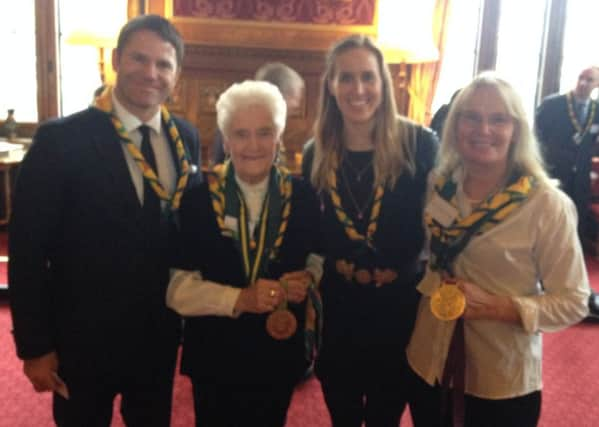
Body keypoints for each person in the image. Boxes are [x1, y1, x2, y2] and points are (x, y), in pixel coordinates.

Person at [8, 14, 201, 427]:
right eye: (139, 59)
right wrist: (35, 347)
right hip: (82, 339)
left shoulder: (185, 137)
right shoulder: (62, 139)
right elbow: (26, 250)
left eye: (163, 64)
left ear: (177, 75)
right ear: (116, 59)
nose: (150, 73)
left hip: (157, 336)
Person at [407, 72, 590, 427]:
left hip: (499, 379)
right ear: (455, 124)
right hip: (428, 360)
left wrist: (500, 307)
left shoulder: (546, 204)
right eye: (471, 117)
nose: (483, 129)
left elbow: (574, 301)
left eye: (498, 119)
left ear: (517, 130)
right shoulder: (439, 185)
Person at [166, 80, 323, 427]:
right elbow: (177, 290)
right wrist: (239, 299)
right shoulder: (197, 200)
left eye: (264, 132)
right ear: (225, 139)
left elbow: (317, 260)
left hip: (277, 349)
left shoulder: (304, 196)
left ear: (279, 137)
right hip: (215, 352)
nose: (253, 145)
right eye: (241, 134)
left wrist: (307, 280)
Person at [302, 34, 438, 427]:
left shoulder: (419, 144)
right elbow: (310, 232)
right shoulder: (317, 151)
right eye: (345, 78)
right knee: (342, 411)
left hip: (399, 306)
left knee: (384, 414)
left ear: (384, 83)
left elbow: (446, 220)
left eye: (367, 77)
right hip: (339, 305)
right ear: (330, 84)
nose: (357, 89)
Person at [535, 66, 599, 319]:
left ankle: (570, 281)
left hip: (580, 176)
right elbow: (536, 137)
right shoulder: (553, 105)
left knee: (574, 223)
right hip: (552, 172)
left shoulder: (596, 110)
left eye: (590, 80)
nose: (584, 83)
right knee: (548, 222)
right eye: (581, 78)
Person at [211, 62, 305, 165]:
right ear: (280, 94)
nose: (297, 105)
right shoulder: (236, 120)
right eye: (294, 97)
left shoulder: (272, 123)